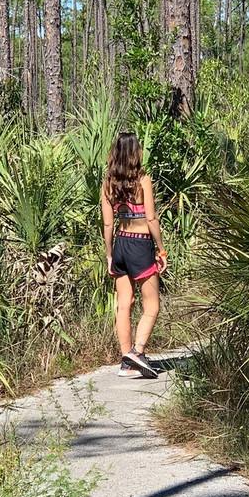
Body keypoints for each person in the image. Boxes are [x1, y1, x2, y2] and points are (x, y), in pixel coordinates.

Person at [101, 132, 169, 379]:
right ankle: (138, 352)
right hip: (141, 245)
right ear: (135, 153)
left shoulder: (108, 182)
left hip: (120, 244)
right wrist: (161, 250)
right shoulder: (143, 180)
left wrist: (110, 254)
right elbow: (151, 218)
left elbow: (108, 225)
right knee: (152, 304)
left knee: (124, 304)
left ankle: (126, 363)